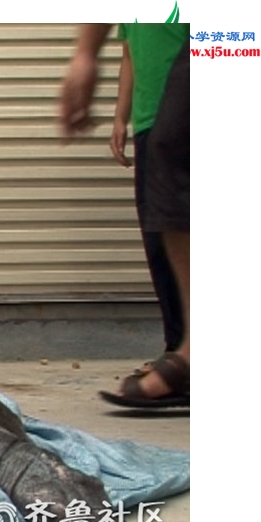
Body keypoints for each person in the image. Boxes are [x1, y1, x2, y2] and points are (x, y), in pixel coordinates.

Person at [60, 24, 189, 409]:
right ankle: (186, 347)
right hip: (155, 115)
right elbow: (130, 52)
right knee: (166, 216)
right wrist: (87, 54)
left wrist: (85, 54)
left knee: (178, 141)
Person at [109, 23, 187, 356]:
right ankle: (178, 352)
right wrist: (120, 117)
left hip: (187, 116)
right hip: (148, 123)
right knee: (158, 240)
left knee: (186, 233)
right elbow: (129, 55)